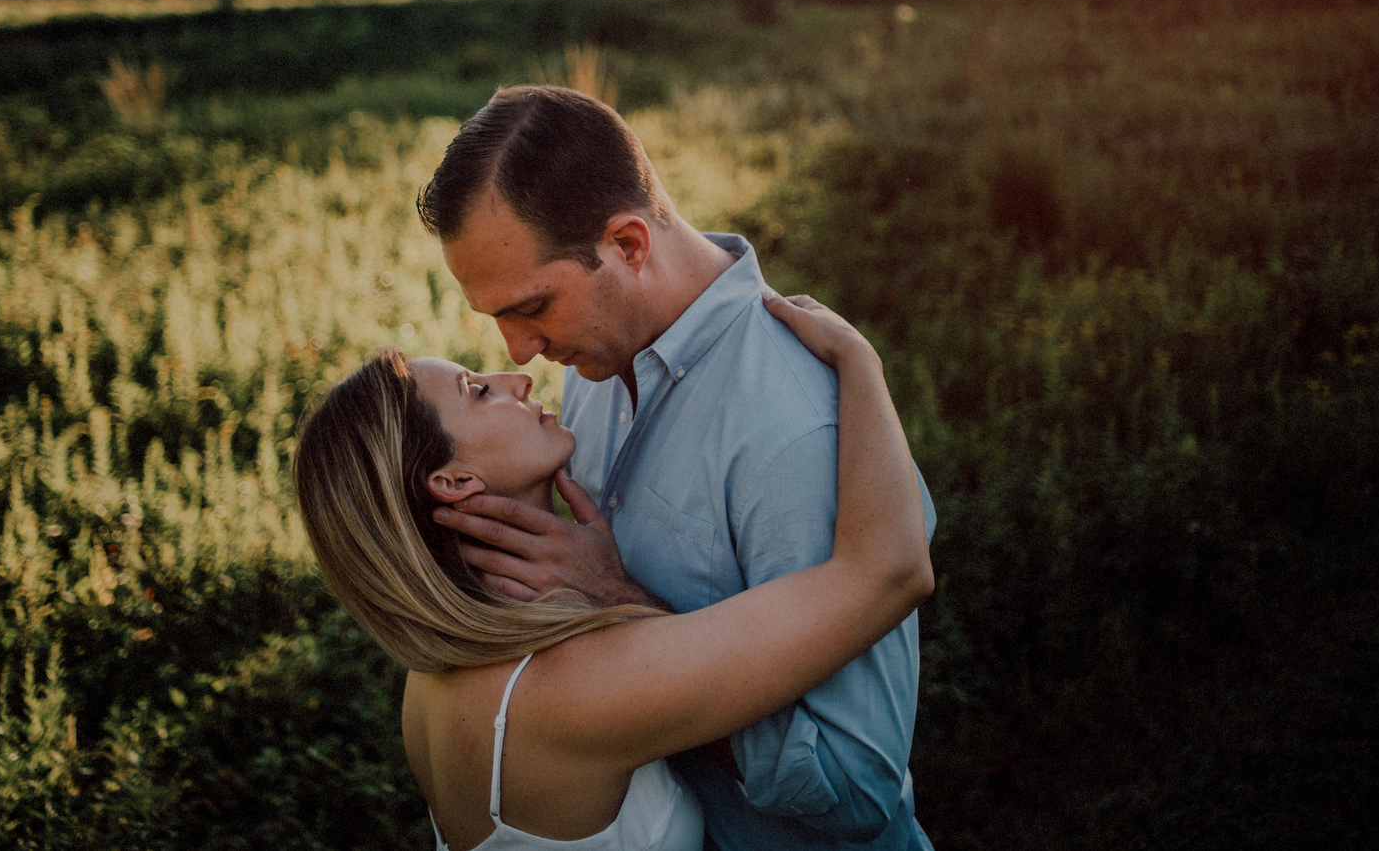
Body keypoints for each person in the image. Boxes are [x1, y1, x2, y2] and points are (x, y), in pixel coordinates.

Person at [416, 85, 938, 851]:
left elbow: (855, 789)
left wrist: (623, 605)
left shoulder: (795, 426)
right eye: (495, 318)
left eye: (531, 308)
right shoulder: (587, 376)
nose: (516, 354)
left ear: (628, 244)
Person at [292, 292, 933, 851]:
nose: (516, 377)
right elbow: (889, 573)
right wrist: (860, 364)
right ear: (454, 482)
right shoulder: (568, 689)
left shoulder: (431, 677)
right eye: (477, 390)